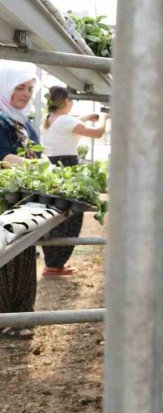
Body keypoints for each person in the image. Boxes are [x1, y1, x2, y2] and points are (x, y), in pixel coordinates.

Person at [39, 86, 108, 276]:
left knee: (55, 214)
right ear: (64, 101)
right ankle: (54, 264)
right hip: (68, 168)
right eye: (70, 99)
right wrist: (103, 118)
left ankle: (53, 262)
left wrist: (86, 117)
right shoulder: (66, 121)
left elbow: (67, 124)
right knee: (71, 215)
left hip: (51, 169)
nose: (72, 102)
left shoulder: (47, 119)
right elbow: (98, 133)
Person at [0, 63, 42, 338]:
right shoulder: (0, 119)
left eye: (30, 89)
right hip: (3, 198)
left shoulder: (24, 122)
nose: (26, 94)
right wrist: (38, 167)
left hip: (22, 198)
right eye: (20, 87)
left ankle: (20, 315)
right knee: (5, 255)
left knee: (24, 252)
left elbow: (38, 153)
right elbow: (4, 157)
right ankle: (4, 316)